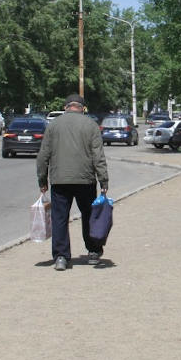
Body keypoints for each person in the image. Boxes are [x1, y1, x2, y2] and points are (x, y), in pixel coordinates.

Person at [36, 94, 109, 271]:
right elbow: (98, 156)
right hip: (85, 180)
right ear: (83, 108)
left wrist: (42, 180)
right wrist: (103, 180)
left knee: (59, 218)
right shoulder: (91, 125)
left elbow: (43, 156)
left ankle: (61, 256)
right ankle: (93, 252)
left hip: (60, 180)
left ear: (66, 106)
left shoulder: (53, 125)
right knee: (88, 216)